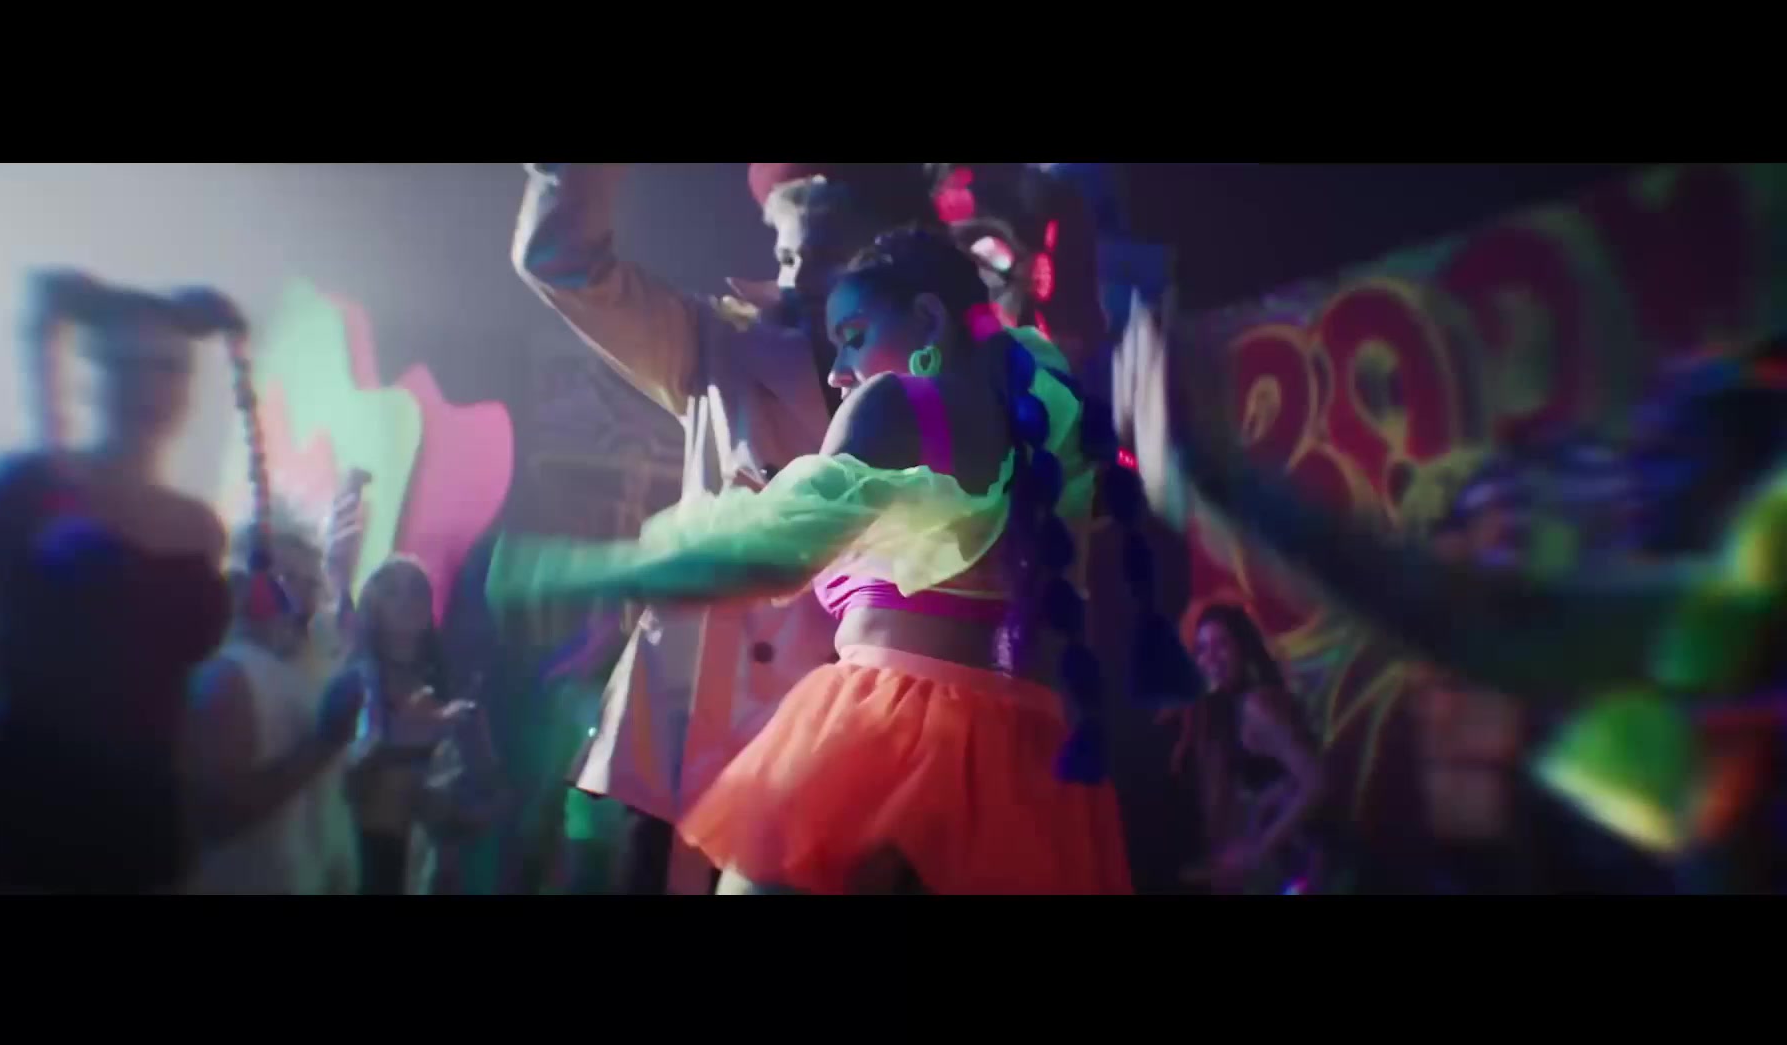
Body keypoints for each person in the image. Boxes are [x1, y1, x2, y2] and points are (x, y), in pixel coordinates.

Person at [490, 229, 1196, 894]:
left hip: (889, 732)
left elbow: (767, 558)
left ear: (928, 318)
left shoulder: (896, 404)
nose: (837, 371)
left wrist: (584, 571)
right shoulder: (1050, 416)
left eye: (853, 337)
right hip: (1030, 765)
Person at [1124, 276, 1787, 890]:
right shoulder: (1699, 640)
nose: (1645, 468)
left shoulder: (1713, 629)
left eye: (1674, 450)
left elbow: (1452, 614)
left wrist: (1214, 476)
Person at [511, 162, 942, 893]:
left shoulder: (940, 380)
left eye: (826, 251)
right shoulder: (718, 341)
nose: (799, 275)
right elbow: (561, 263)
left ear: (885, 251)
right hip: (696, 725)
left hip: (843, 746)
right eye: (786, 252)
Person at [0, 272, 247, 893]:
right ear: (92, 375)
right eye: (125, 364)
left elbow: (173, 690)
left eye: (167, 366)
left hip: (146, 831)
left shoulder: (201, 527)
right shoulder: (24, 488)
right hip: (20, 829)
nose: (147, 386)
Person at [182, 504, 364, 894]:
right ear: (240, 583)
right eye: (284, 577)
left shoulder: (307, 672)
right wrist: (324, 743)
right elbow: (216, 817)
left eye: (309, 582)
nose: (299, 596)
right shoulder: (227, 675)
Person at [343, 554, 504, 895]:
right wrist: (418, 729)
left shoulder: (442, 685)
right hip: (360, 849)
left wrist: (484, 778)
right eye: (393, 591)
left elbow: (470, 796)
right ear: (372, 602)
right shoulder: (356, 679)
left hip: (423, 854)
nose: (408, 599)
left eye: (417, 590)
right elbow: (344, 775)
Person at [1163, 603, 1324, 893]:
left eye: (1221, 644)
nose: (1210, 658)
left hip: (1312, 867)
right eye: (1202, 649)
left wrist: (1257, 851)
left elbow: (1318, 781)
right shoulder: (1232, 707)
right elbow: (1289, 778)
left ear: (1243, 648)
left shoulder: (1258, 706)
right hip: (1295, 867)